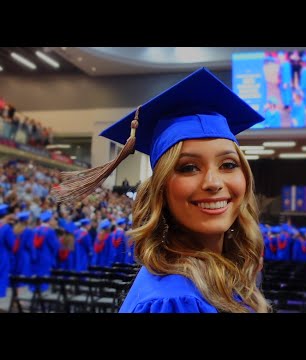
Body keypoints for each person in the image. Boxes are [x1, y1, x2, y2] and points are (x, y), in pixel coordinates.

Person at [52, 68, 270, 313]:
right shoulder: (175, 301)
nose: (213, 182)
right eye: (188, 167)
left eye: (228, 164)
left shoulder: (214, 277)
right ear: (161, 190)